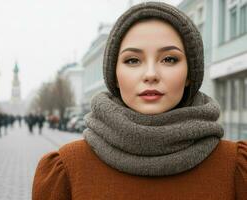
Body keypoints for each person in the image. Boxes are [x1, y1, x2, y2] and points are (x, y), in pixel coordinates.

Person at [32, 2, 247, 200]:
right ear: (114, 75)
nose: (151, 74)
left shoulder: (235, 168)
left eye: (169, 59)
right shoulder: (67, 170)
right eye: (133, 60)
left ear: (190, 72)